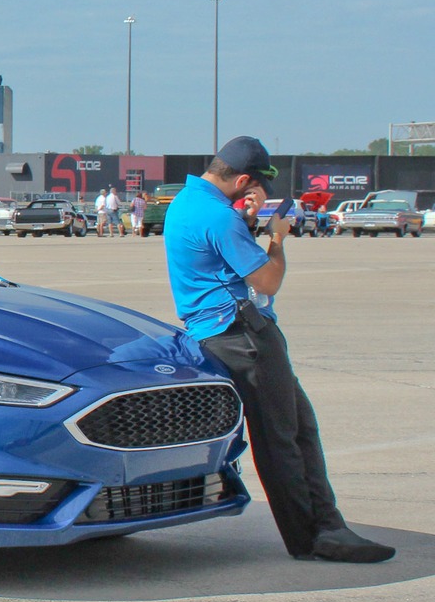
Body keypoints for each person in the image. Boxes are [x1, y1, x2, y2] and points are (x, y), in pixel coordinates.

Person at [163, 136, 393, 563]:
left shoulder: (188, 203)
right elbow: (267, 281)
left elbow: (216, 259)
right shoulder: (217, 216)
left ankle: (328, 524)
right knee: (282, 439)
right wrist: (277, 238)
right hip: (243, 336)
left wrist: (247, 223)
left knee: (298, 428)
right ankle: (314, 536)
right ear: (246, 179)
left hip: (219, 332)